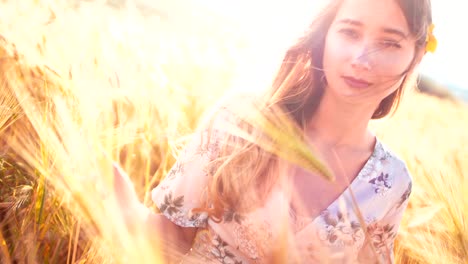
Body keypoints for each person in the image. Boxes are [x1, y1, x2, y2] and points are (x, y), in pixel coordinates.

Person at [114, 0, 436, 262]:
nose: (361, 58)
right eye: (350, 32)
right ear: (326, 35)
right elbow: (169, 238)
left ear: (416, 56)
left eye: (389, 43)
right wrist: (124, 209)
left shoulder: (392, 182)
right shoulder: (240, 121)